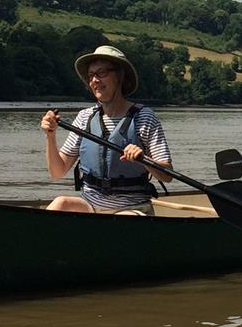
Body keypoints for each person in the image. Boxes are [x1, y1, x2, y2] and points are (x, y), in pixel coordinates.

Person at [39, 45, 173, 215]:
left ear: (120, 76)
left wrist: (143, 160)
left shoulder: (144, 117)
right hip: (90, 205)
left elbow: (167, 175)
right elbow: (57, 172)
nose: (94, 80)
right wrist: (50, 136)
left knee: (123, 220)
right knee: (61, 203)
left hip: (132, 208)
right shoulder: (84, 117)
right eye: (91, 75)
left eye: (101, 73)